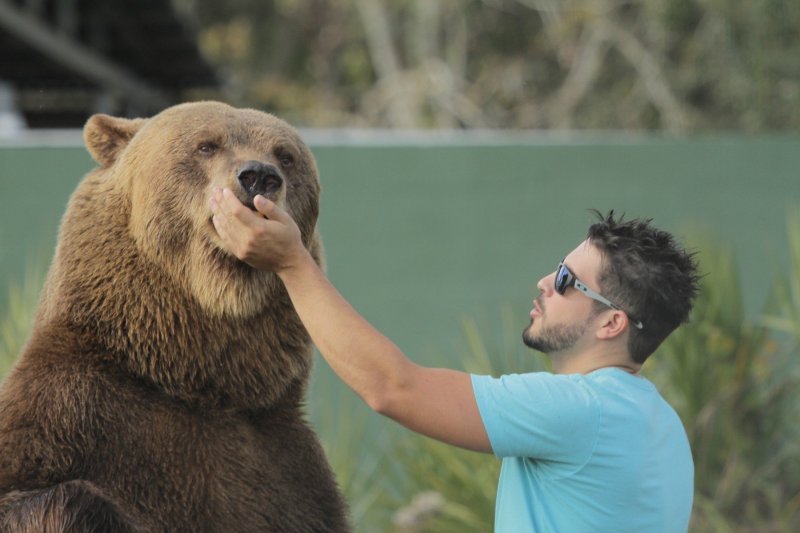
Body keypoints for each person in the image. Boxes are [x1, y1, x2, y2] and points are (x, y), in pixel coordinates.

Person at [209, 188, 700, 533]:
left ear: (612, 323)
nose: (545, 283)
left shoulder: (581, 410)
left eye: (569, 280)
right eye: (557, 270)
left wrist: (292, 263)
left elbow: (393, 388)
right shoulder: (663, 425)